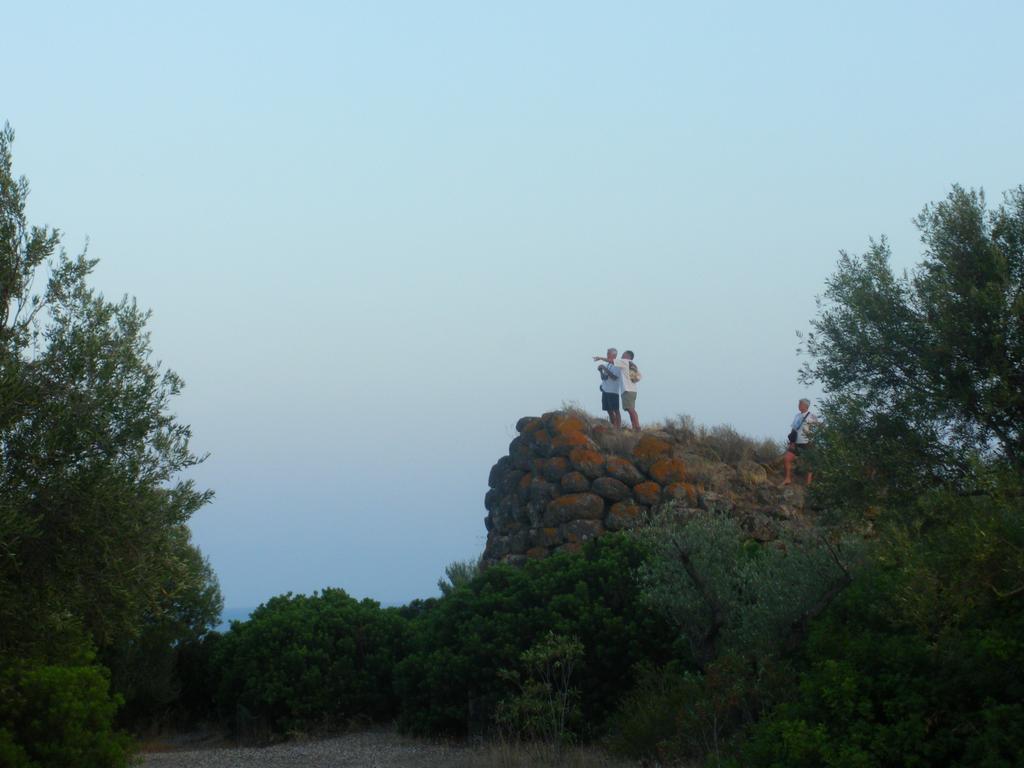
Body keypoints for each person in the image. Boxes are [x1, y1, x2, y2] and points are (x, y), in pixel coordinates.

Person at [783, 398, 819, 485]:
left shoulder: (812, 416)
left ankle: (808, 483)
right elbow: (793, 429)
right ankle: (788, 478)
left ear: (805, 406)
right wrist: (791, 442)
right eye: (799, 404)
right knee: (787, 459)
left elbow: (817, 427)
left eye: (800, 404)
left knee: (809, 462)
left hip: (808, 443)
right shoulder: (797, 416)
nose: (798, 406)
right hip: (796, 443)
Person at [592, 347, 622, 427]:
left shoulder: (617, 364)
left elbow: (614, 377)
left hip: (613, 391)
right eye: (607, 353)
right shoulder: (608, 364)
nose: (607, 355)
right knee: (608, 410)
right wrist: (601, 371)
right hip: (605, 390)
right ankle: (613, 426)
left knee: (616, 410)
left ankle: (618, 428)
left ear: (614, 355)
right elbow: (604, 377)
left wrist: (603, 367)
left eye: (608, 353)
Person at [620, 350, 642, 431]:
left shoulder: (625, 362)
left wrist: (600, 358)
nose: (621, 356)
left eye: (623, 355)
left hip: (627, 390)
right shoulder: (633, 365)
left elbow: (611, 361)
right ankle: (635, 427)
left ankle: (637, 427)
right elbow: (640, 377)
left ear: (628, 356)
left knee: (631, 409)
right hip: (632, 390)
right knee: (631, 409)